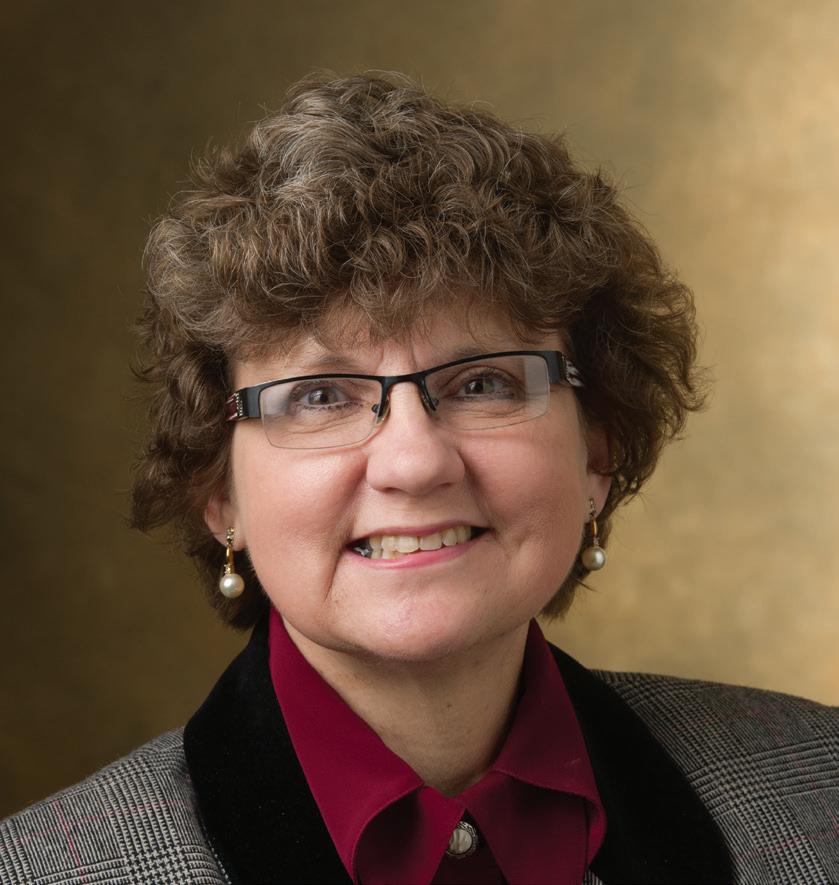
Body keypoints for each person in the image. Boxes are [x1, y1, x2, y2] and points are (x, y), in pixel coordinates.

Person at [1, 73, 836, 885]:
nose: (414, 461)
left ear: (595, 455)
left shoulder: (819, 789)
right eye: (320, 396)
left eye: (483, 384)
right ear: (218, 492)